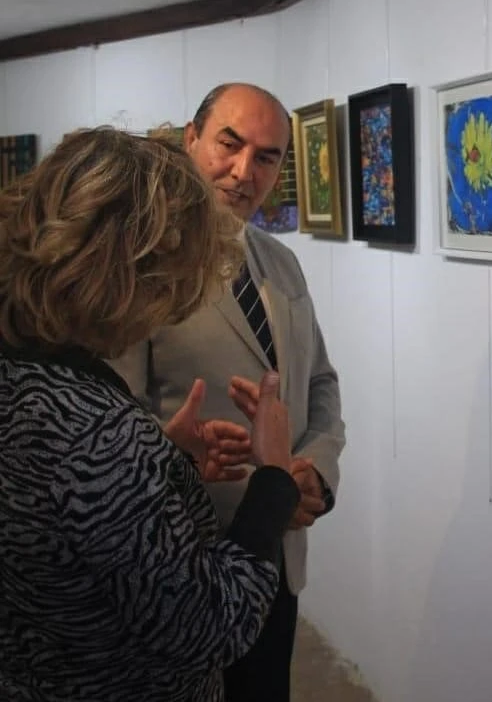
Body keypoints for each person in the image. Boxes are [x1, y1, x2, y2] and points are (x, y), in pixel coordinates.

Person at [0, 127, 304, 701]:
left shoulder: (25, 373)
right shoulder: (98, 434)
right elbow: (210, 627)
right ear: (134, 273)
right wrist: (272, 478)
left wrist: (162, 458)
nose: (175, 304)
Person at [112, 82, 346, 702]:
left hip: (276, 563)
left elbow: (319, 384)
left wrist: (313, 475)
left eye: (266, 157)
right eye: (229, 144)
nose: (244, 172)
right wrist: (173, 456)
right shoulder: (142, 269)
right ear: (191, 139)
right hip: (184, 571)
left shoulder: (282, 263)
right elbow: (112, 419)